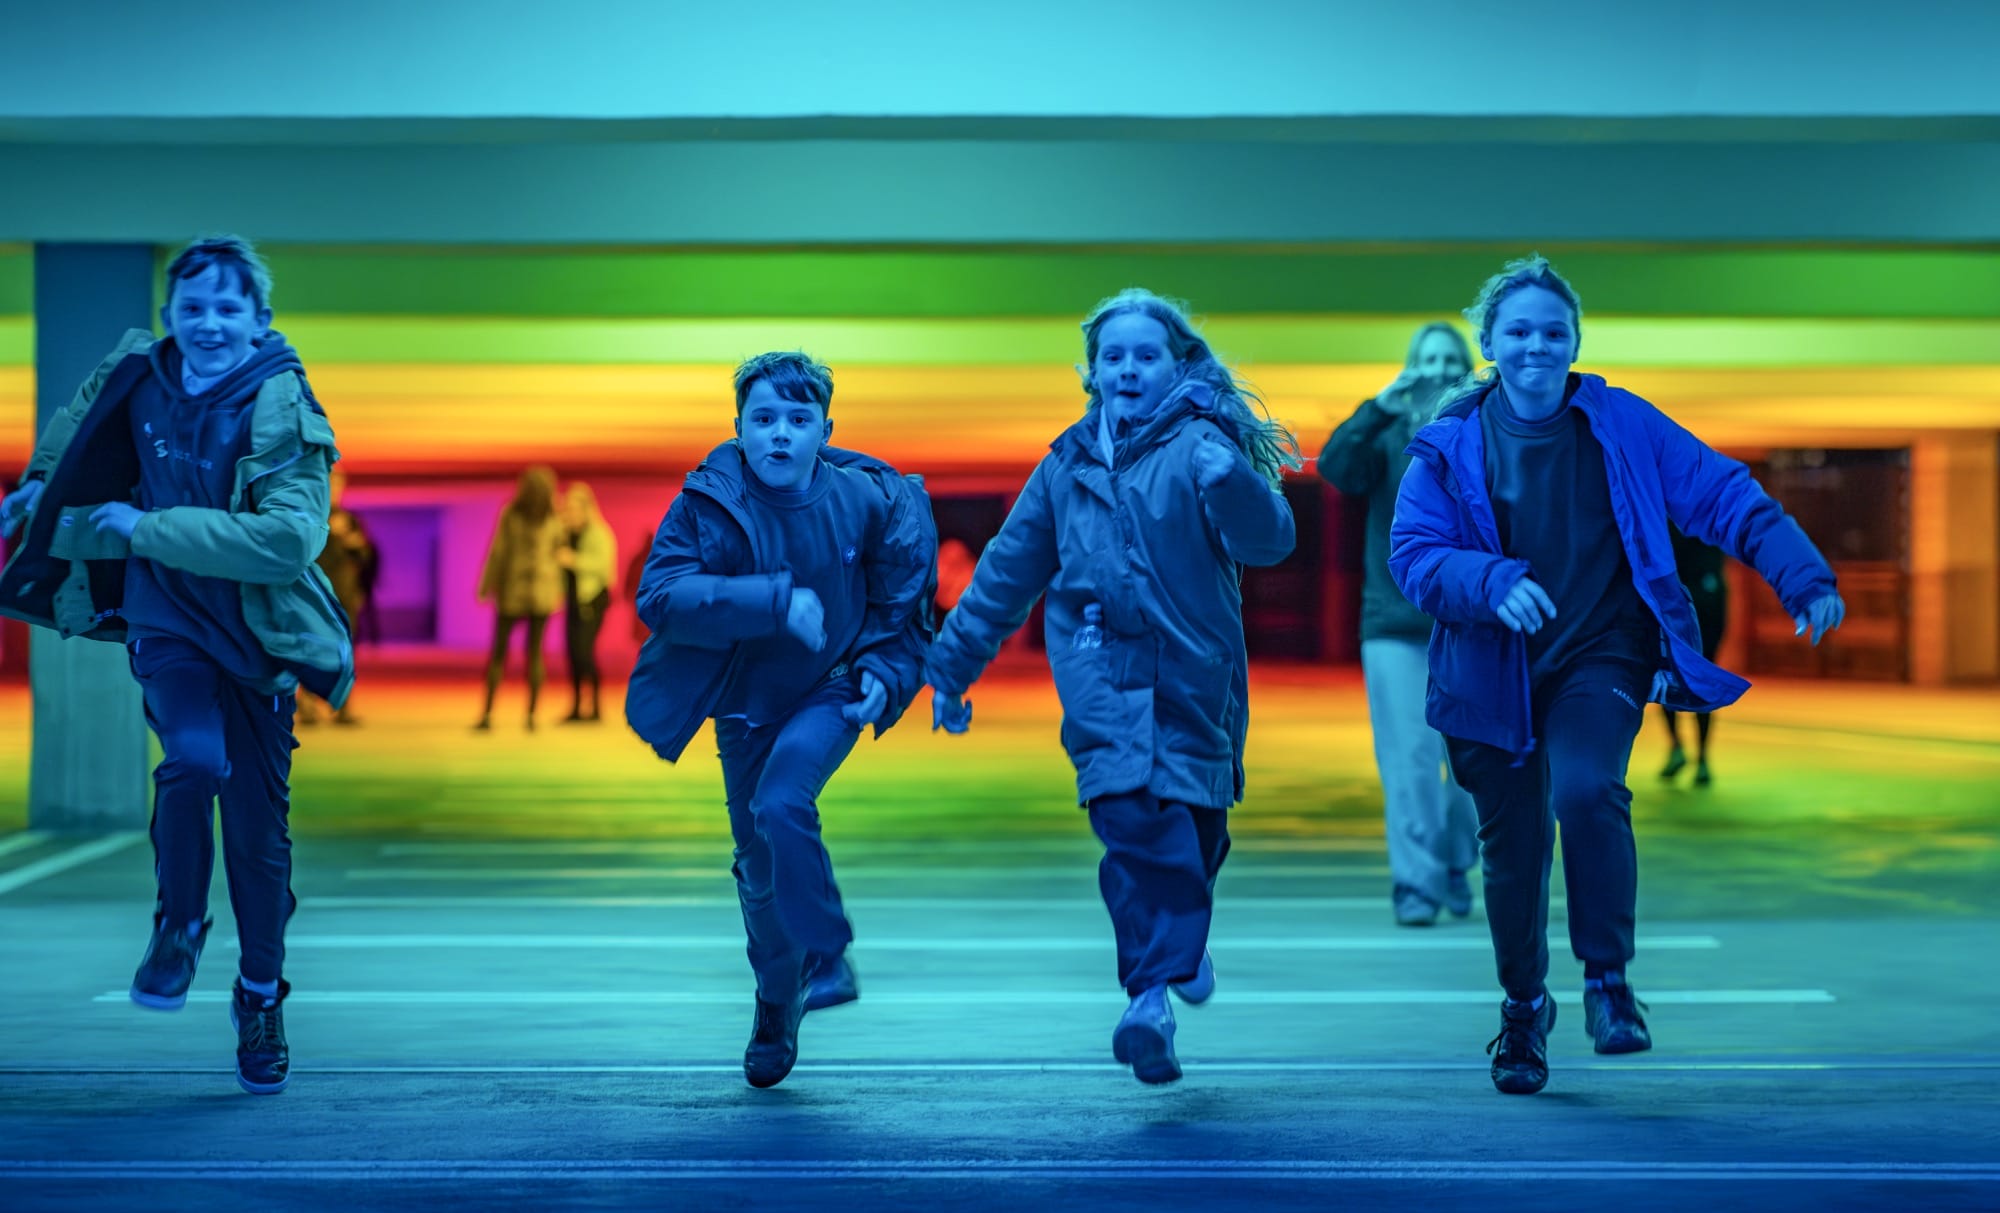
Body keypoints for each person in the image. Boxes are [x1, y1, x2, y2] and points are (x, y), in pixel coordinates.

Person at [1388, 255, 1845, 1097]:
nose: (1536, 346)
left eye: (1553, 331)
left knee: (1587, 790)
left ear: (1575, 342)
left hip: (1599, 652)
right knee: (1514, 854)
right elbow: (1413, 558)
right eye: (1517, 331)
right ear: (1489, 343)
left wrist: (1801, 573)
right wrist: (1491, 582)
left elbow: (1721, 493)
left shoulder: (1623, 425)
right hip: (1490, 674)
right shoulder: (1447, 446)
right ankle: (1524, 1010)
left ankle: (1607, 981)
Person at [0, 235, 353, 1095]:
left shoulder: (280, 400)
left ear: (260, 320)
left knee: (262, 845)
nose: (209, 324)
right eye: (192, 308)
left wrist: (140, 527)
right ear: (169, 316)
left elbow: (287, 540)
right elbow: (69, 460)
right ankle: (178, 926)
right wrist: (41, 500)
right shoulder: (136, 376)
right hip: (168, 621)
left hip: (257, 638)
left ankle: (261, 994)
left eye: (229, 309)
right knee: (192, 758)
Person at [927, 288, 1298, 1085]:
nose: (1128, 368)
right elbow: (1002, 575)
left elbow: (1269, 540)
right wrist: (950, 671)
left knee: (1196, 838)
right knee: (1129, 817)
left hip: (1196, 677)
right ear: (1091, 372)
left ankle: (1175, 951)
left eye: (1146, 355)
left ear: (1177, 365)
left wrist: (1232, 477)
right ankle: (1149, 1001)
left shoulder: (1205, 442)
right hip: (1099, 667)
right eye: (1113, 356)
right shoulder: (1064, 466)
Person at [625, 351, 937, 1090]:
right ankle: (777, 996)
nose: (780, 435)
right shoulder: (711, 501)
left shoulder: (865, 501)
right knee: (758, 868)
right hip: (742, 701)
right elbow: (660, 595)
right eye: (763, 419)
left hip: (829, 688)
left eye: (799, 421)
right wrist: (770, 601)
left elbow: (900, 607)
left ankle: (827, 952)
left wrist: (883, 674)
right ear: (738, 428)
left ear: (825, 429)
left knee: (781, 800)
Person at [1319, 322, 1480, 926]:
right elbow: (1336, 467)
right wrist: (1379, 405)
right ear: (1410, 369)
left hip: (1472, 625)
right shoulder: (1386, 435)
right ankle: (1415, 885)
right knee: (1409, 761)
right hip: (1393, 624)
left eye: (1449, 360)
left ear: (1466, 369)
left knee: (1470, 761)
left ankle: (1457, 859)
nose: (1438, 370)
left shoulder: (1489, 431)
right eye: (1426, 360)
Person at [474, 465, 565, 731]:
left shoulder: (511, 515)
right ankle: (531, 716)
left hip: (512, 591)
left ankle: (488, 714)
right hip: (542, 592)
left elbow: (498, 553)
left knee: (498, 653)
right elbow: (558, 555)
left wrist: (486, 585)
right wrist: (557, 589)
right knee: (535, 653)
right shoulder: (553, 518)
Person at [299, 464, 376, 725]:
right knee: (313, 648)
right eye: (332, 484)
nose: (336, 490)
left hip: (344, 592)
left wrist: (353, 542)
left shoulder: (350, 519)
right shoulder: (309, 517)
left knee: (344, 652)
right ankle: (307, 704)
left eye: (340, 485)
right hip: (317, 593)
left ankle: (342, 707)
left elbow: (365, 557)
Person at [1659, 526, 1729, 786]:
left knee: (1671, 681)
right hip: (1699, 612)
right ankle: (1699, 758)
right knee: (1694, 685)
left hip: (1681, 613)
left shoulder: (1671, 528)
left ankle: (1682, 749)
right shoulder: (1709, 531)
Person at [557, 481, 618, 723]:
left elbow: (603, 568)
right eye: (567, 509)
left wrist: (573, 560)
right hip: (573, 600)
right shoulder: (566, 534)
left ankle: (594, 707)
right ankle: (575, 707)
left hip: (593, 599)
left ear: (586, 509)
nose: (569, 513)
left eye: (573, 509)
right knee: (571, 654)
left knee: (584, 653)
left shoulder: (599, 533)